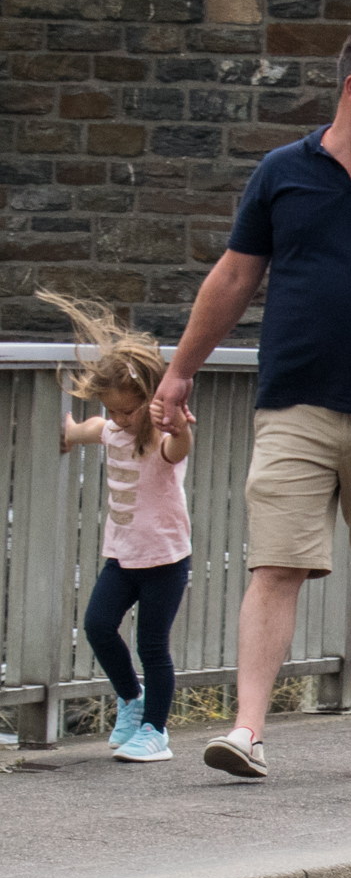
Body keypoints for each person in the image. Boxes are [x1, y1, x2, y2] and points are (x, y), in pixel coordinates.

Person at [152, 26, 351, 780]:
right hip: (295, 399)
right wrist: (179, 372)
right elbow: (234, 277)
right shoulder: (282, 172)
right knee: (276, 562)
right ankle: (247, 730)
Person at [45, 290, 195, 764]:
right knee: (97, 625)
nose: (119, 420)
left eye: (127, 411)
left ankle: (156, 731)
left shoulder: (159, 441)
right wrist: (68, 433)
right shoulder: (113, 428)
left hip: (165, 559)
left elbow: (180, 450)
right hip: (123, 554)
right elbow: (91, 427)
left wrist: (180, 425)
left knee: (153, 644)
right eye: (113, 411)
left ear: (150, 401)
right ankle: (131, 702)